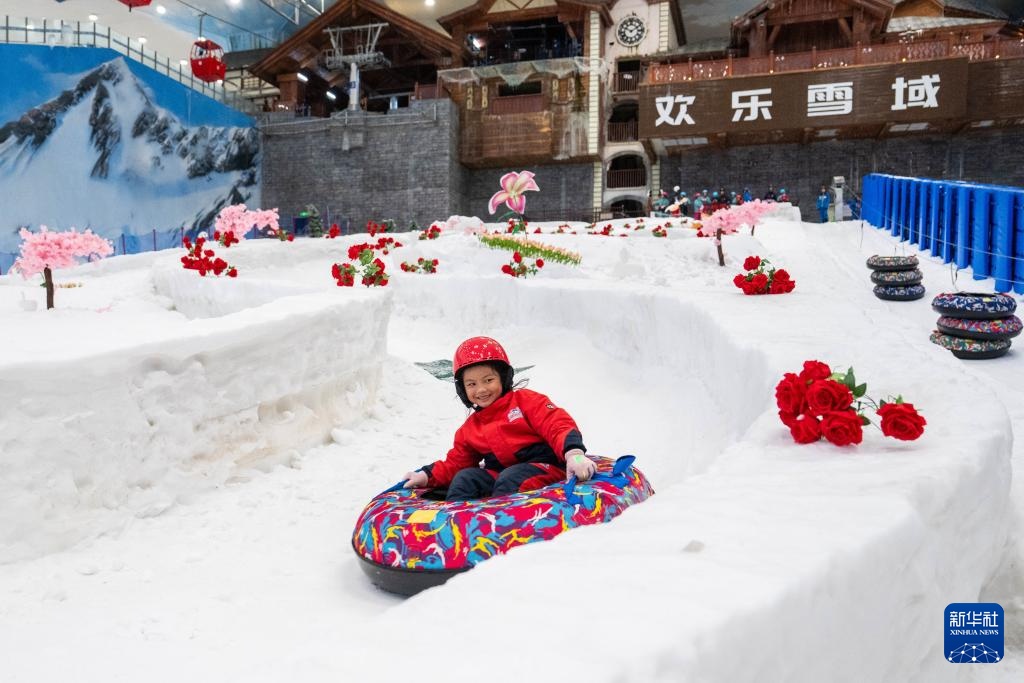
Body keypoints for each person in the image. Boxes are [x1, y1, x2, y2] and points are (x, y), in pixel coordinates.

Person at [401, 337, 597, 501]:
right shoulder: (470, 429)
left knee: (511, 478)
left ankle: (504, 526)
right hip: (502, 473)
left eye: (488, 380)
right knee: (465, 479)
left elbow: (557, 424)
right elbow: (456, 463)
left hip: (547, 467)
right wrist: (426, 476)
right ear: (462, 389)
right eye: (471, 384)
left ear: (503, 378)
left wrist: (574, 454)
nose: (481, 389)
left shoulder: (526, 401)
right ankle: (456, 526)